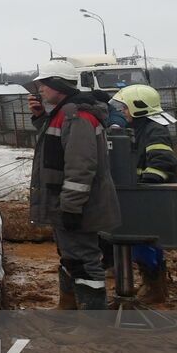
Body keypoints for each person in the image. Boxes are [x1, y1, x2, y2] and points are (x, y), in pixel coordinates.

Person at [28, 59, 121, 310]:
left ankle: (93, 323)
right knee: (70, 258)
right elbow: (55, 148)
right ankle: (67, 309)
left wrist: (71, 207)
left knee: (84, 261)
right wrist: (39, 117)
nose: (40, 90)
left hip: (77, 204)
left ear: (58, 84)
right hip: (64, 202)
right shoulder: (61, 113)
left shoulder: (76, 116)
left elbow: (81, 167)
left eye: (44, 84)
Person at [114, 84, 177, 301]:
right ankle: (152, 284)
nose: (123, 112)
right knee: (142, 243)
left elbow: (162, 160)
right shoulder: (142, 128)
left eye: (126, 108)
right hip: (145, 195)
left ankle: (155, 288)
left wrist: (147, 182)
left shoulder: (154, 129)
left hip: (152, 196)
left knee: (146, 244)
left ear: (138, 107)